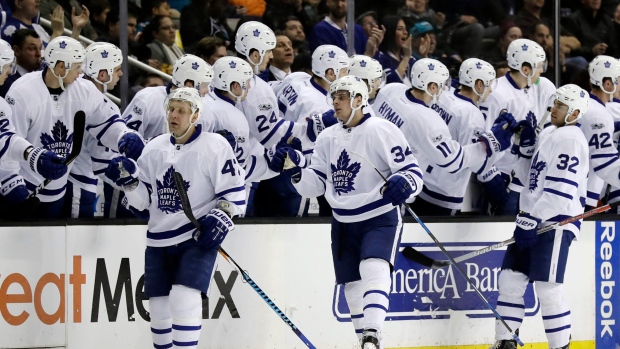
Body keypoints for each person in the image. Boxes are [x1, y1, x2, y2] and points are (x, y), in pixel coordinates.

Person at [270, 75, 424, 349]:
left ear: (359, 99)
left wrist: (406, 183)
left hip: (379, 215)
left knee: (373, 266)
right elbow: (314, 184)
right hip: (342, 220)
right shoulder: (328, 136)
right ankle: (364, 342)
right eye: (334, 97)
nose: (335, 102)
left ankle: (373, 333)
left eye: (342, 97)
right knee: (352, 284)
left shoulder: (382, 130)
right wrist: (295, 172)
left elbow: (412, 171)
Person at [105, 87, 245, 349]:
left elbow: (234, 190)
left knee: (184, 299)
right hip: (159, 239)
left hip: (195, 238)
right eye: (171, 109)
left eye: (182, 110)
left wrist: (222, 214)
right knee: (158, 307)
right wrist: (129, 183)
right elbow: (143, 202)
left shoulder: (214, 145)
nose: (174, 115)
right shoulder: (154, 147)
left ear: (195, 116)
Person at [490, 84, 589, 349]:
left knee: (547, 288)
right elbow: (526, 181)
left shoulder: (570, 139)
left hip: (556, 222)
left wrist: (532, 218)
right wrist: (524, 151)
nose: (554, 108)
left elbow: (559, 194)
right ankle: (505, 342)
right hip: (531, 218)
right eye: (554, 103)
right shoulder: (549, 133)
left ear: (575, 112)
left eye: (561, 106)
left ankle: (560, 346)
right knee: (510, 280)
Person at [4, 36, 143, 218]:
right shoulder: (22, 92)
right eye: (77, 66)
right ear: (62, 67)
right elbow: (8, 142)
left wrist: (123, 136)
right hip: (26, 189)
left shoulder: (84, 90)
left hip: (58, 191)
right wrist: (12, 183)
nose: (81, 72)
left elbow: (106, 121)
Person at [373, 58, 514, 216]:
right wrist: (491, 144)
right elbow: (455, 161)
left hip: (391, 176)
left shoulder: (392, 90)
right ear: (432, 86)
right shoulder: (430, 119)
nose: (444, 89)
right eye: (441, 85)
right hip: (436, 191)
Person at [110, 54, 213, 219]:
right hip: (138, 181)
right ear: (189, 84)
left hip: (172, 188)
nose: (207, 91)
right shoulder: (148, 98)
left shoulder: (202, 110)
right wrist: (141, 148)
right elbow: (123, 139)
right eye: (204, 85)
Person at [256, 44, 346, 217]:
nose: (347, 76)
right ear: (330, 73)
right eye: (344, 71)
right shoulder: (320, 105)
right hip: (290, 169)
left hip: (269, 157)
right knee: (290, 227)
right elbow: (307, 145)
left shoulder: (297, 78)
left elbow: (272, 90)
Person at [64, 42, 141, 218]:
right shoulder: (103, 105)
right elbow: (102, 162)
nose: (120, 73)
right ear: (102, 73)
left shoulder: (73, 92)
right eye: (117, 69)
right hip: (80, 186)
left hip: (68, 180)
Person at [480, 38, 556, 215]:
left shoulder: (542, 87)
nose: (542, 70)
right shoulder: (497, 93)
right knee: (499, 232)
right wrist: (491, 179)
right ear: (525, 69)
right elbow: (483, 142)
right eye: (538, 66)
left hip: (531, 176)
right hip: (504, 176)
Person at [427, 58, 507, 215]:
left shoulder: (444, 96)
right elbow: (474, 163)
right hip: (445, 192)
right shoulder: (472, 115)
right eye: (489, 84)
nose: (490, 90)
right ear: (478, 84)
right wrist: (499, 145)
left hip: (425, 181)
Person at [0, 38, 67, 215]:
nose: (9, 72)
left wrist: (13, 185)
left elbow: (6, 149)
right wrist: (33, 155)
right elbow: (4, 139)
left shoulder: (2, 105)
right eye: (7, 66)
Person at [576, 56, 620, 210]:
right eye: (618, 80)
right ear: (608, 84)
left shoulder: (588, 104)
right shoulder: (599, 114)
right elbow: (603, 162)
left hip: (575, 186)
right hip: (581, 191)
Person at [0, 29, 42, 97]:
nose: (39, 54)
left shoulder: (40, 79)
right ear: (16, 51)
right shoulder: (5, 79)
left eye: (40, 48)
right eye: (32, 48)